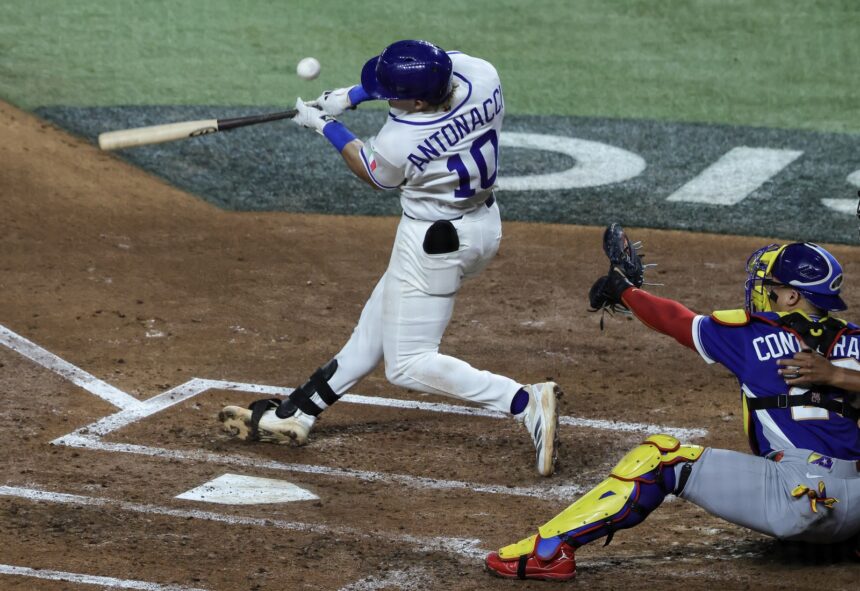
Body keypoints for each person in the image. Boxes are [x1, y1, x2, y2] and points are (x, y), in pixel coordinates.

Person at [218, 40, 560, 476]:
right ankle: (298, 412)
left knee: (408, 364)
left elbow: (371, 170)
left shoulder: (400, 141)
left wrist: (324, 125)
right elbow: (437, 67)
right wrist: (351, 95)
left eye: (392, 92)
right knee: (377, 324)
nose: (386, 94)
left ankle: (523, 401)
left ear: (417, 101)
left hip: (434, 245)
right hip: (482, 225)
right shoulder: (482, 74)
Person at [485, 228, 860, 580]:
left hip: (799, 504)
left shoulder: (753, 334)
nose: (764, 294)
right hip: (857, 506)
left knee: (661, 459)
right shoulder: (856, 339)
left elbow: (675, 320)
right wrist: (838, 378)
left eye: (772, 288)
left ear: (792, 296)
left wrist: (623, 289)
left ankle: (547, 553)